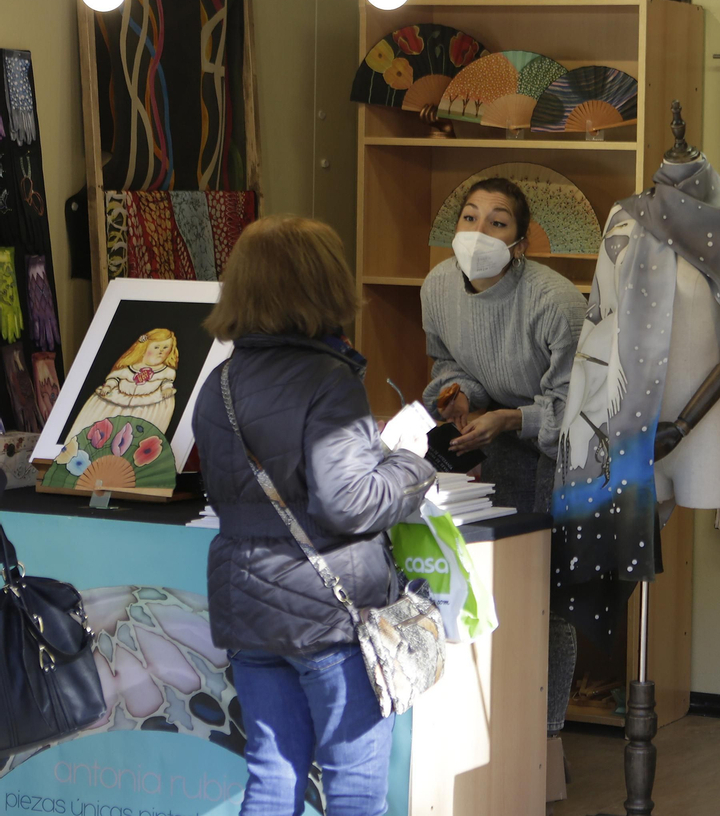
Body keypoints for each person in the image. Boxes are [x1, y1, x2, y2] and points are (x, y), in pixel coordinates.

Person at [192, 215, 435, 816]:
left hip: (246, 606)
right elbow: (348, 502)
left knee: (273, 780)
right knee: (355, 790)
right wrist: (410, 464)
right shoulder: (330, 380)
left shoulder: (218, 384)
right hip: (331, 614)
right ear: (324, 284)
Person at [421, 176, 585, 737]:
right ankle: (491, 729)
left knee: (545, 592)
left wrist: (512, 419)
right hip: (493, 445)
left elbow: (578, 410)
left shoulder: (556, 302)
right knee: (490, 586)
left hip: (560, 455)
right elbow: (446, 363)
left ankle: (543, 740)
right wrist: (458, 398)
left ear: (522, 243)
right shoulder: (438, 285)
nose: (478, 232)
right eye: (469, 217)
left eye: (497, 222)